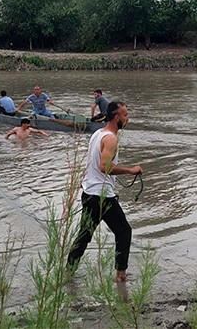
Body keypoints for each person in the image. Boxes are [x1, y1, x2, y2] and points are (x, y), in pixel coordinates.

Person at [67, 102, 142, 283]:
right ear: (116, 118)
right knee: (124, 231)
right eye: (125, 115)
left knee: (84, 234)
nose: (127, 118)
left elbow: (91, 163)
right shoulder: (111, 139)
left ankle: (68, 272)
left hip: (89, 192)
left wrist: (85, 181)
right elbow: (104, 166)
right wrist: (130, 170)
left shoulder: (97, 134)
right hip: (102, 196)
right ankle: (120, 275)